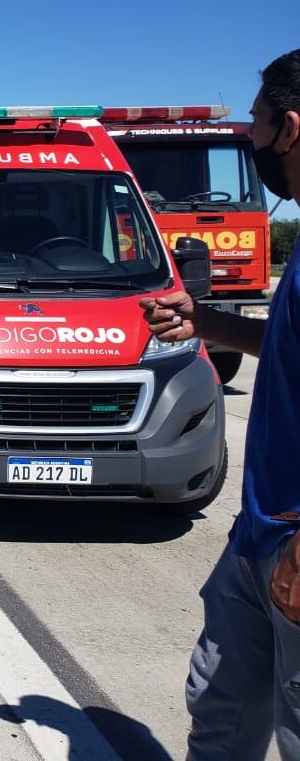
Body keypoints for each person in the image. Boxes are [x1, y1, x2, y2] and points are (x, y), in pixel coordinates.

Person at [140, 49, 300, 760]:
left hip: (295, 543)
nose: (254, 143)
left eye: (257, 127)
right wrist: (206, 321)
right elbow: (290, 345)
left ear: (289, 128)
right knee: (221, 702)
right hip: (260, 534)